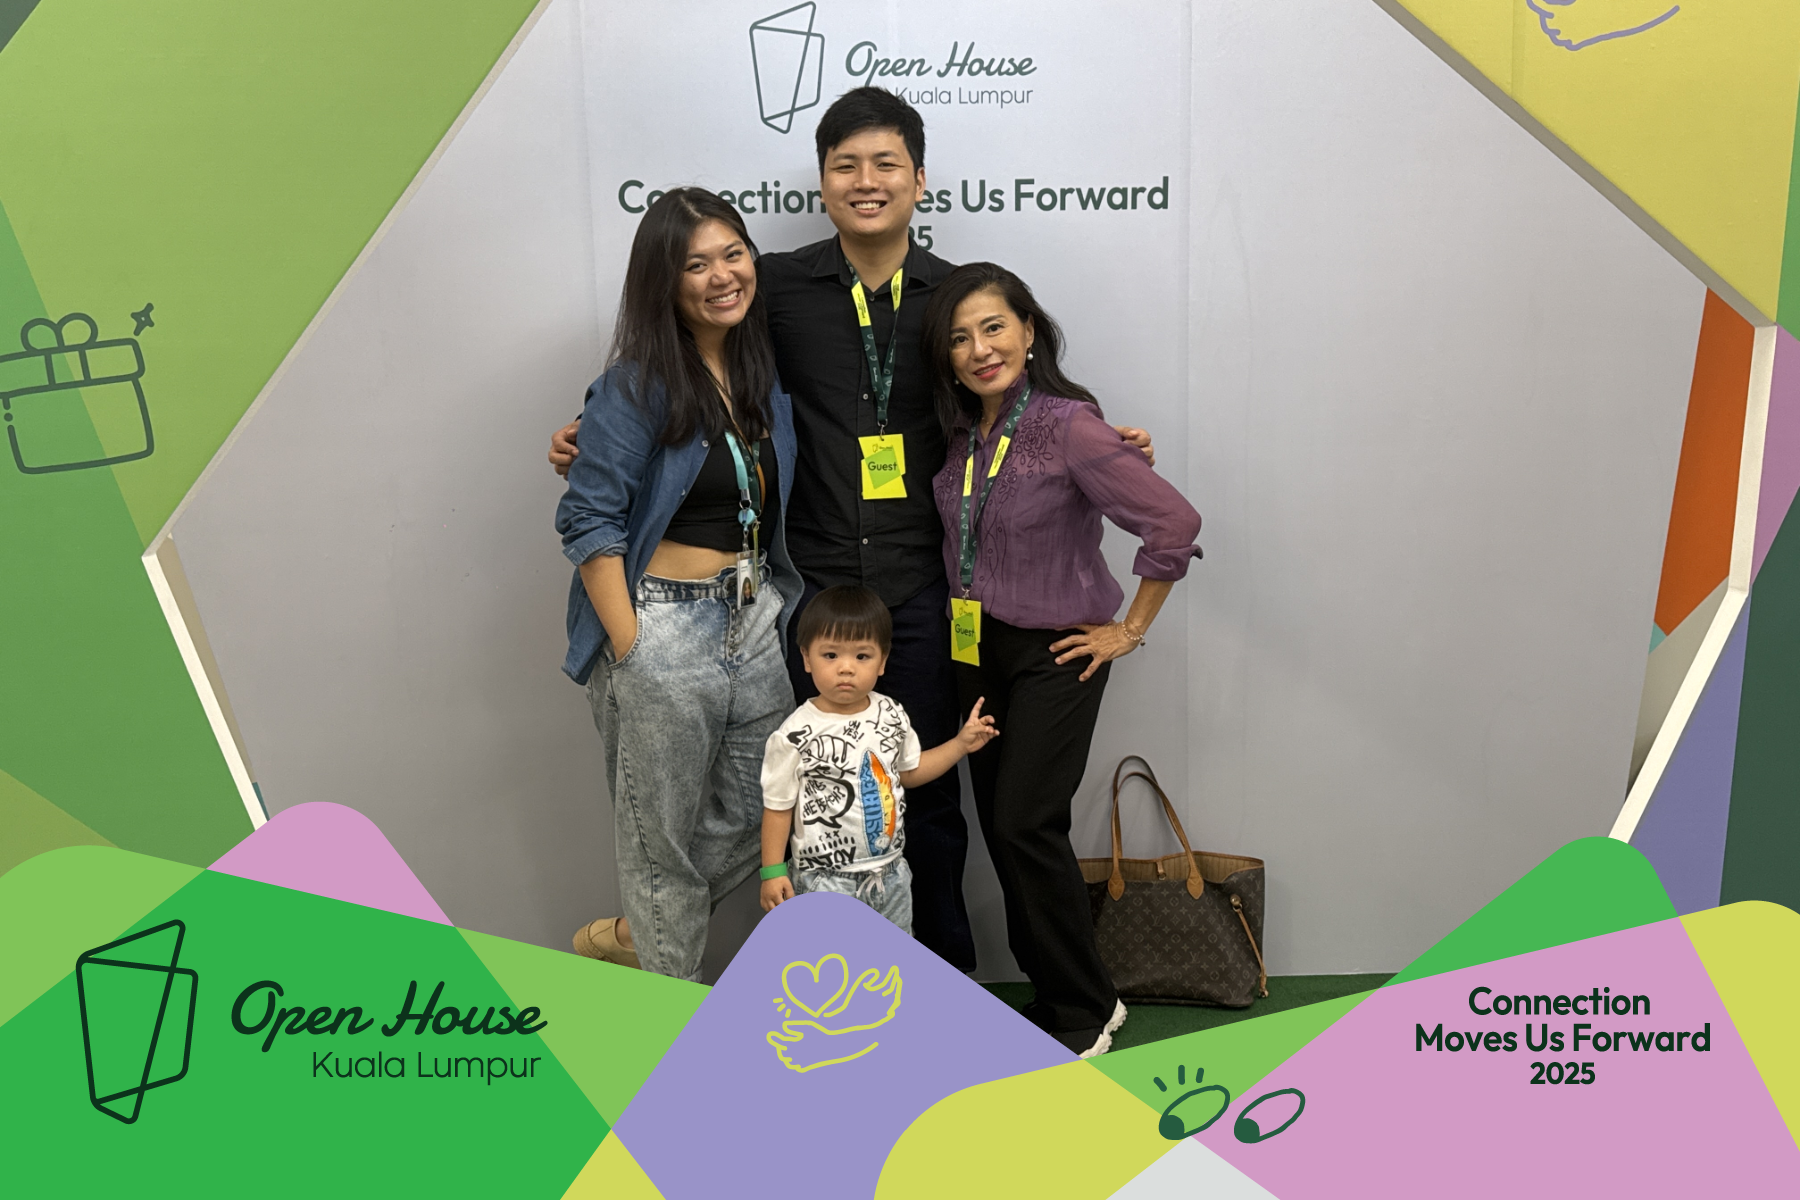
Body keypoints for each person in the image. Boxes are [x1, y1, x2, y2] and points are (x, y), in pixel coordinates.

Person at [550, 88, 1154, 973]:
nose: (866, 181)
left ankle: (937, 984)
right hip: (805, 592)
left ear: (920, 179)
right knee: (802, 803)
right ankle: (817, 983)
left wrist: (1099, 438)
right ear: (823, 183)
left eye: (886, 164)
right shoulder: (775, 287)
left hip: (922, 590)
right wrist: (590, 432)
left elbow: (1015, 391)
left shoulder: (956, 295)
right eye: (846, 166)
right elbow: (688, 363)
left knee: (927, 801)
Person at [921, 262, 1203, 1057]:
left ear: (1028, 330)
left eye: (993, 328)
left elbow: (1174, 523)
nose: (980, 349)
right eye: (959, 339)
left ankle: (1087, 1007)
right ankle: (1055, 992)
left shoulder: (1069, 424)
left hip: (1057, 650)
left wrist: (1128, 629)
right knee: (1003, 828)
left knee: (1024, 821)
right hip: (975, 648)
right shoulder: (959, 431)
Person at [556, 188, 801, 981]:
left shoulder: (762, 375)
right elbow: (589, 520)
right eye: (696, 265)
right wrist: (632, 647)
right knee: (656, 844)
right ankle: (672, 1024)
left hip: (753, 618)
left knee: (768, 806)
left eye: (733, 254)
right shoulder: (632, 387)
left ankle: (643, 930)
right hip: (662, 623)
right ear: (664, 282)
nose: (722, 275)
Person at [758, 586, 999, 930]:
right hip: (824, 881)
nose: (846, 668)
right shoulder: (793, 734)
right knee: (832, 962)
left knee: (891, 961)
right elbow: (778, 807)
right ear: (806, 658)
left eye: (862, 656)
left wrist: (960, 744)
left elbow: (910, 772)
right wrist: (772, 871)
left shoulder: (891, 714)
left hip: (891, 875)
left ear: (883, 661)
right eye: (830, 655)